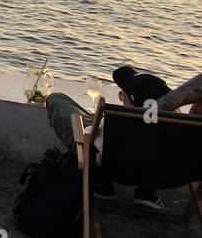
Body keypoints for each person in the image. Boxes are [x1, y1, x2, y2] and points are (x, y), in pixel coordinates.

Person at [45, 64, 172, 209]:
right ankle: (147, 193)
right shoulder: (175, 127)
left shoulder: (114, 122)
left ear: (129, 100)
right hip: (150, 172)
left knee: (57, 100)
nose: (121, 97)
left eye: (123, 95)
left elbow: (90, 138)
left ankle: (101, 184)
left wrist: (90, 128)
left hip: (113, 168)